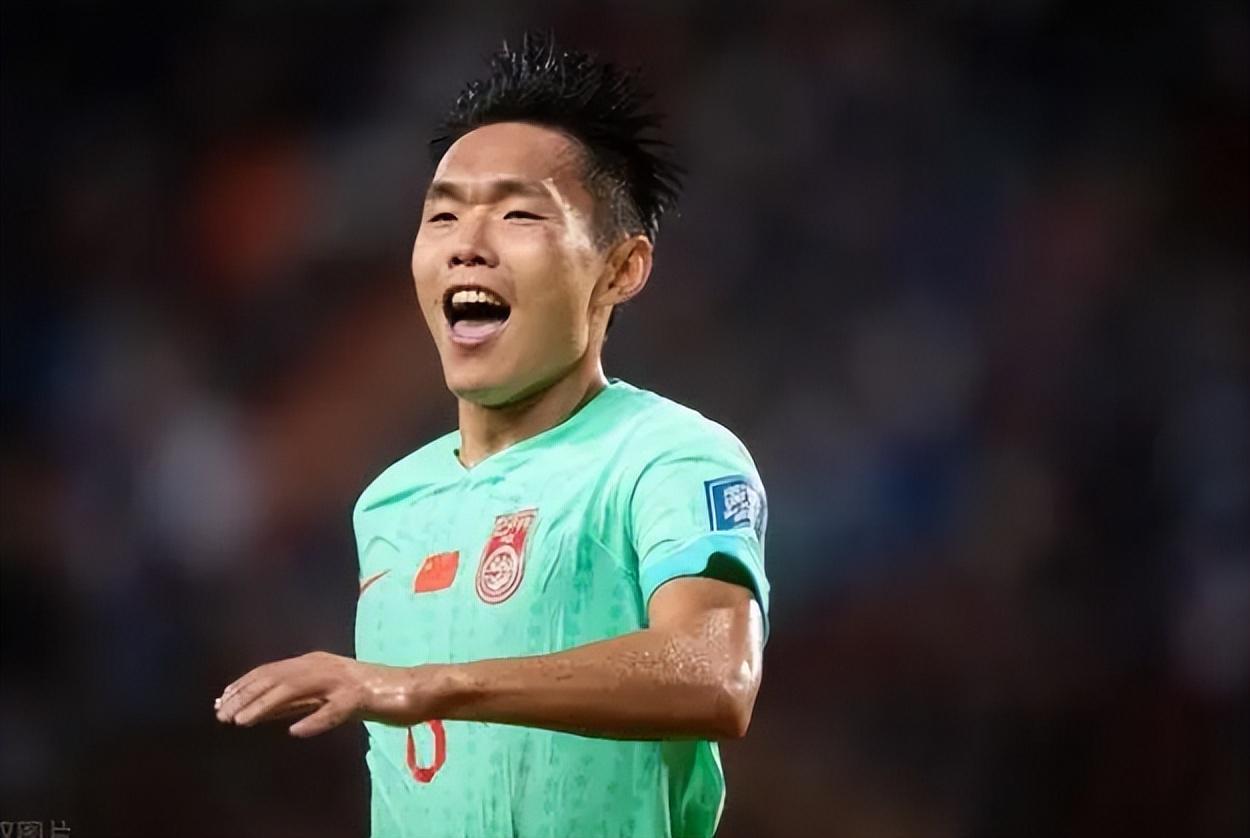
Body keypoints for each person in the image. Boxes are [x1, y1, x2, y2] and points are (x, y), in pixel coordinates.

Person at [215, 32, 770, 838]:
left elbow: (716, 675)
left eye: (518, 214)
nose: (466, 245)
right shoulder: (389, 503)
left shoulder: (667, 457)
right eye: (442, 215)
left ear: (622, 269)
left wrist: (436, 684)